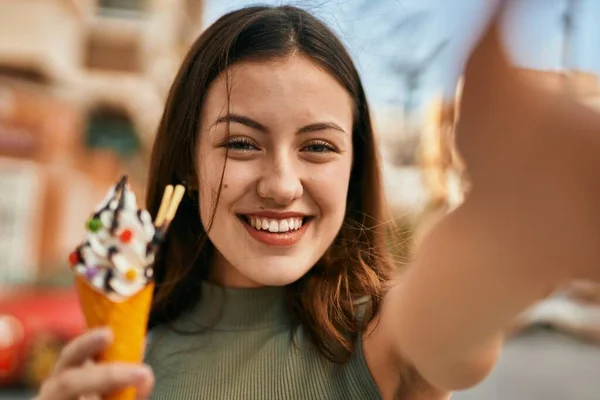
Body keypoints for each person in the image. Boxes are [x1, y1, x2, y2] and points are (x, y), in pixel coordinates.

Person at [35, 4, 600, 400]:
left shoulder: (376, 339)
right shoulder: (127, 360)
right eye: (241, 142)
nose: (282, 183)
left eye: (319, 147)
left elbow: (449, 333)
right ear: (190, 161)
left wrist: (511, 230)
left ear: (354, 168)